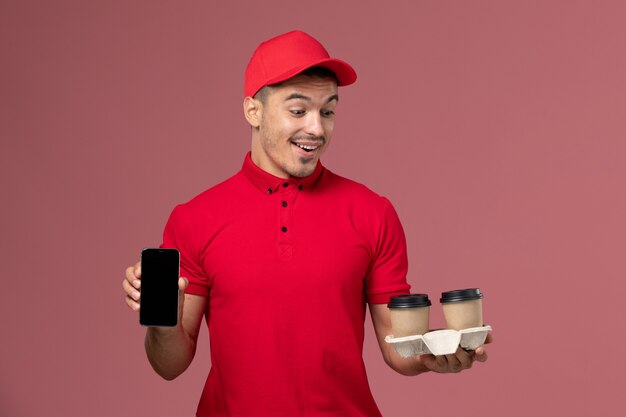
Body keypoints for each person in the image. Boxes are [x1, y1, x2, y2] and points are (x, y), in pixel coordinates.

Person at [123, 30, 491, 417]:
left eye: (328, 111)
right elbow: (169, 365)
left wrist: (430, 355)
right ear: (253, 111)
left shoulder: (372, 212)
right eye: (298, 111)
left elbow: (395, 348)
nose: (317, 129)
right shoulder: (195, 218)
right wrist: (164, 321)